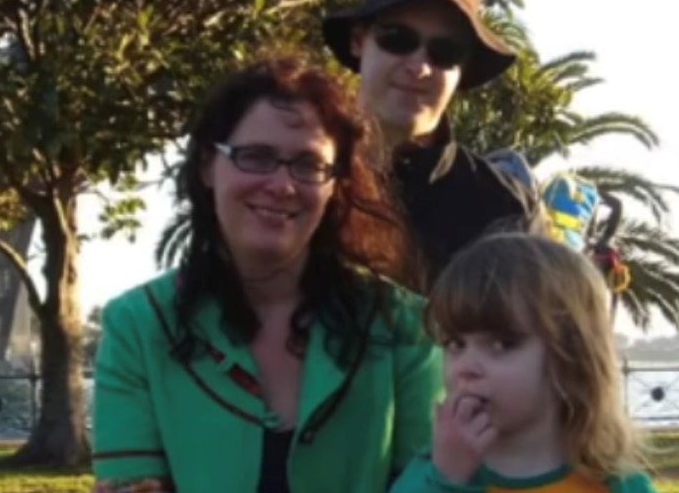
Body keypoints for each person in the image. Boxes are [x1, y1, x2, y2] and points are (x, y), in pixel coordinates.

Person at [92, 56, 443, 493]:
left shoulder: (404, 328)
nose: (281, 185)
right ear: (206, 165)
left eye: (308, 165)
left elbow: (437, 481)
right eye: (255, 157)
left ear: (335, 184)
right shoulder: (138, 327)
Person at [322, 0, 545, 283]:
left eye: (445, 52)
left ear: (464, 68)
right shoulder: (297, 174)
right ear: (357, 40)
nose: (420, 67)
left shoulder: (504, 212)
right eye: (398, 39)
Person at [390, 233, 657, 493]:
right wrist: (445, 480)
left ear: (571, 355)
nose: (466, 367)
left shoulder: (617, 484)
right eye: (455, 344)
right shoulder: (432, 475)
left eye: (502, 344)